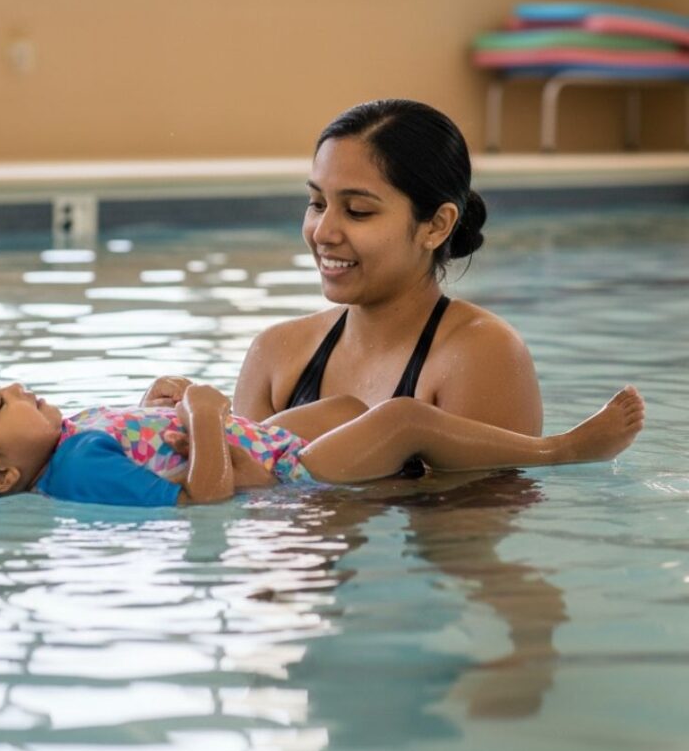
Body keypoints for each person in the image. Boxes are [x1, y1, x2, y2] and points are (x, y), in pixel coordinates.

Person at [233, 98, 572, 474]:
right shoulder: (277, 354)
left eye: (358, 211)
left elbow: (472, 524)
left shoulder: (479, 354)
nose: (323, 232)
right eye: (316, 203)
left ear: (436, 226)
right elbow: (240, 502)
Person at [0, 371, 644, 507]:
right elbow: (203, 499)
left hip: (253, 439)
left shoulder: (70, 440)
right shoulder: (74, 478)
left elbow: (146, 447)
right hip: (282, 476)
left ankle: (436, 466)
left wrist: (155, 408)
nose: (23, 389)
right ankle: (559, 451)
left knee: (344, 401)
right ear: (2, 476)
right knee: (401, 416)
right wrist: (201, 418)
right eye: (2, 402)